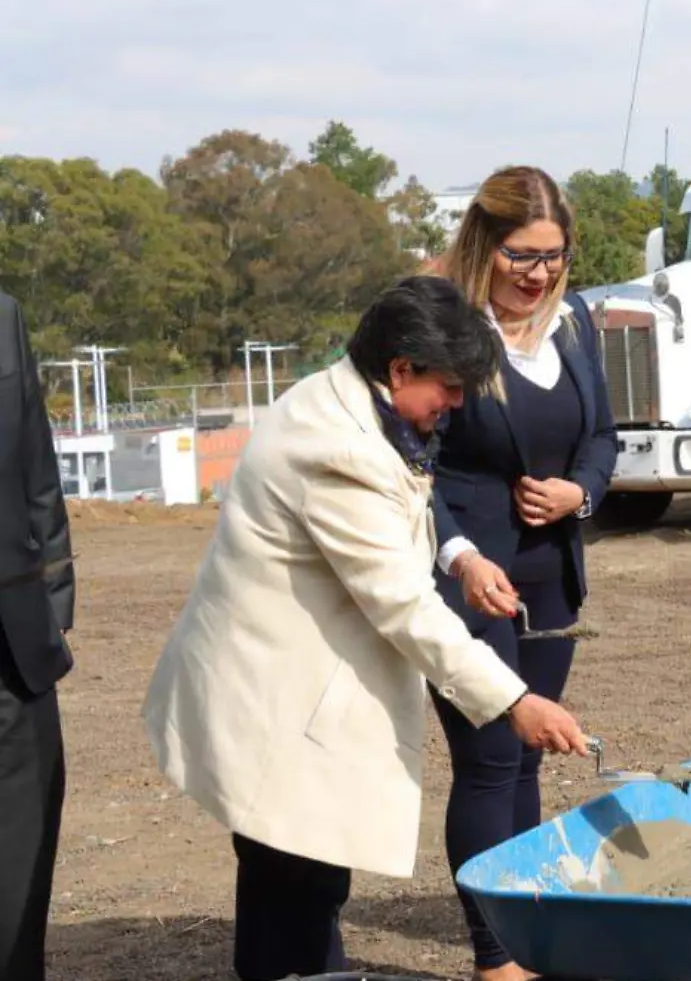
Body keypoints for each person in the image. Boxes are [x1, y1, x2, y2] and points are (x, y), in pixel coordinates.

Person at [141, 276, 591, 981]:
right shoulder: (337, 447)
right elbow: (402, 602)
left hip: (294, 689)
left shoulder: (354, 403)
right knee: (295, 886)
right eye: (447, 386)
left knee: (297, 882)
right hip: (273, 700)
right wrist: (513, 701)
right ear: (400, 368)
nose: (456, 403)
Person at [427, 166, 617, 981]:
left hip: (550, 578)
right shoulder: (446, 326)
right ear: (484, 242)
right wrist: (458, 556)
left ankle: (530, 932)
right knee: (489, 762)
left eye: (553, 256)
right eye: (521, 255)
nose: (538, 274)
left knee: (530, 758)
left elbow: (603, 437)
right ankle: (495, 956)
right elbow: (409, 467)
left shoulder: (573, 320)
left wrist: (584, 493)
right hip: (469, 575)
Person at [0, 288, 76, 981]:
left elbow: (36, 470)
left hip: (13, 643)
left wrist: (52, 600)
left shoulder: (3, 315)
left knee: (21, 856)